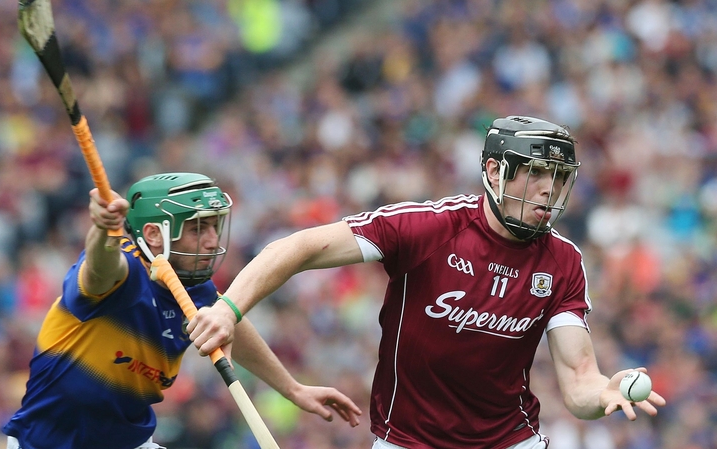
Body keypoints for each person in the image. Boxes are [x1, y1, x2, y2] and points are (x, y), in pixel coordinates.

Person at [187, 117, 668, 449]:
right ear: (496, 172)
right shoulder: (427, 227)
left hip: (510, 439)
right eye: (537, 174)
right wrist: (229, 310)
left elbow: (580, 381)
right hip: (407, 439)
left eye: (559, 178)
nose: (550, 190)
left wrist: (605, 392)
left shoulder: (563, 261)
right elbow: (297, 248)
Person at [2, 172, 362, 449]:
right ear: (154, 235)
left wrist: (292, 389)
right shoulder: (119, 274)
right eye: (197, 228)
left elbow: (229, 321)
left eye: (214, 226)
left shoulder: (192, 286)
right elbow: (99, 267)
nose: (211, 240)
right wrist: (102, 229)